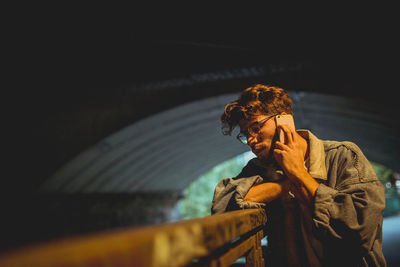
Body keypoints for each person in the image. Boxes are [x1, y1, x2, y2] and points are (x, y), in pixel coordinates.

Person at [211, 84, 386, 266]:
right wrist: (288, 182)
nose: (251, 140)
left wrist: (300, 173)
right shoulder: (260, 169)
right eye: (245, 134)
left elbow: (360, 229)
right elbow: (222, 208)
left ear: (284, 121)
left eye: (256, 127)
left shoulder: (342, 156)